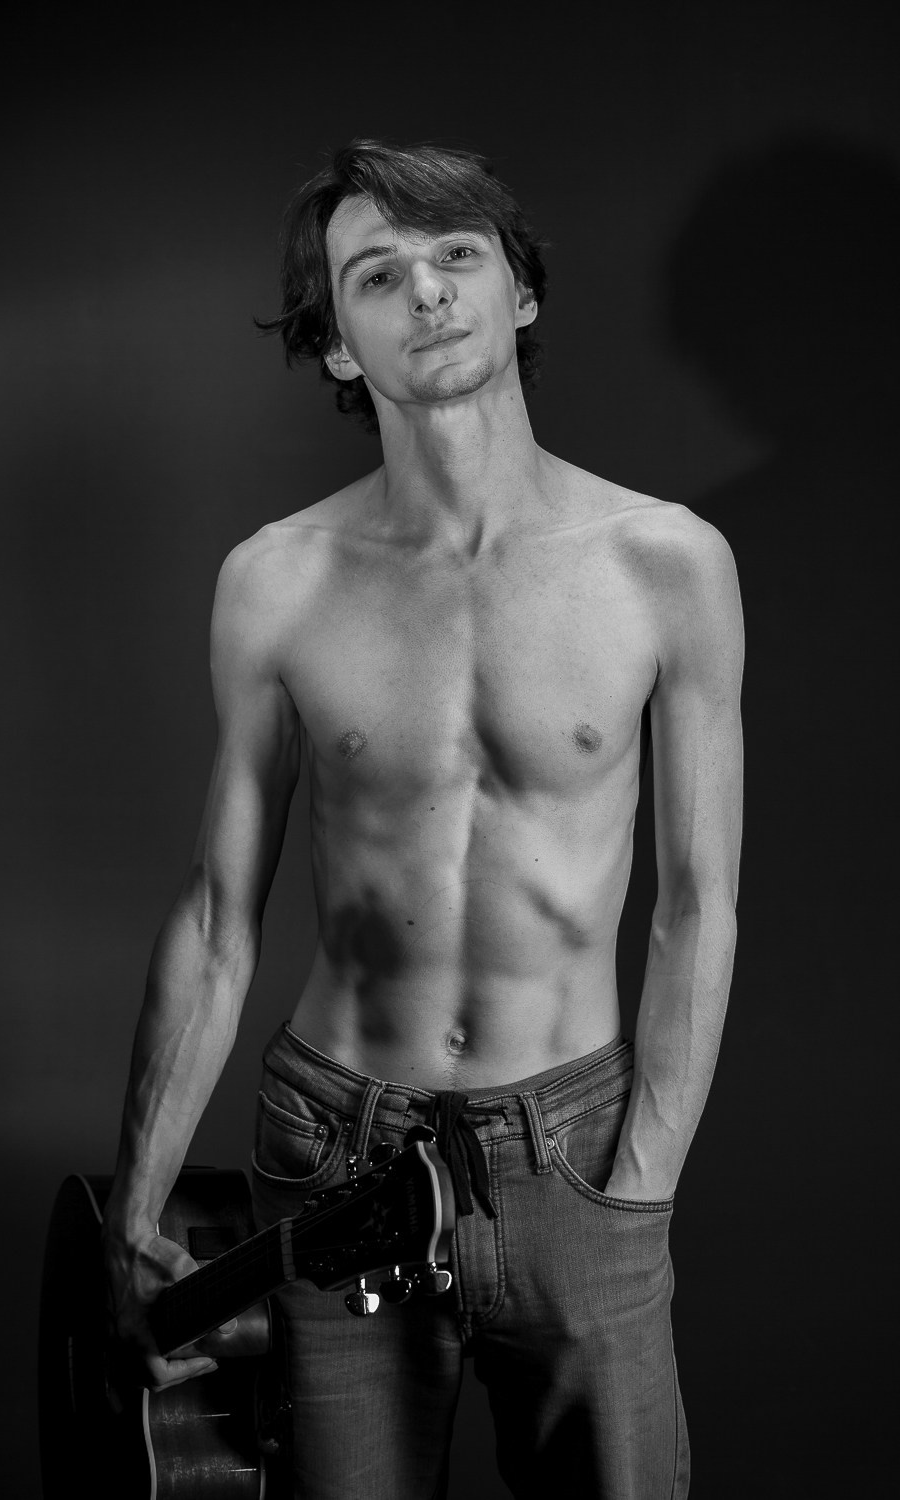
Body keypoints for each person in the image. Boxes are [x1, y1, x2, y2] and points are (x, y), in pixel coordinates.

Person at [102, 139, 743, 1500]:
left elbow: (698, 905)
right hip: (333, 1144)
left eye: (458, 254)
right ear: (339, 343)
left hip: (573, 1150)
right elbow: (217, 916)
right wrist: (135, 1208)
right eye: (378, 274)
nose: (430, 291)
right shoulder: (275, 580)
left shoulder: (666, 564)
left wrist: (642, 1184)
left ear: (522, 292)